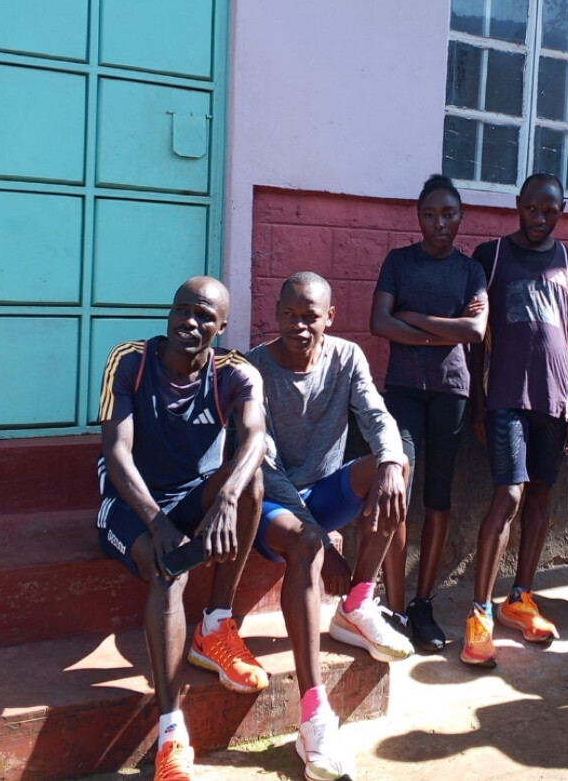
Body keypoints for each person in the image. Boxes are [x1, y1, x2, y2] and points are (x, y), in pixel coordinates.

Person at [96, 276, 267, 781]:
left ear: (222, 327)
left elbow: (256, 437)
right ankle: (172, 731)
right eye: (182, 311)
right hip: (131, 504)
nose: (189, 323)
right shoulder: (130, 361)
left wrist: (227, 498)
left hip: (192, 496)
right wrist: (158, 523)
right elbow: (116, 453)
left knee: (251, 484)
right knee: (168, 569)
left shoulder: (236, 372)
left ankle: (215, 624)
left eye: (204, 317)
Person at [247, 271, 413, 781]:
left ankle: (357, 602)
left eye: (310, 316)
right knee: (305, 543)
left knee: (396, 465)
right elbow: (263, 464)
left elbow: (376, 415)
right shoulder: (254, 369)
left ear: (330, 318)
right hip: (271, 505)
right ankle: (315, 715)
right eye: (289, 315)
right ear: (276, 314)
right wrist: (319, 536)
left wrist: (390, 461)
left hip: (322, 494)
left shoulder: (346, 357)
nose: (299, 326)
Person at [463, 173, 568, 667]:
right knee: (509, 495)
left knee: (540, 495)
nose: (540, 219)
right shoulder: (491, 256)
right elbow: (477, 338)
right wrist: (478, 401)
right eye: (532, 209)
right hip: (506, 398)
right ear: (517, 204)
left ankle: (520, 598)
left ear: (562, 211)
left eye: (550, 211)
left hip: (555, 400)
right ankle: (479, 613)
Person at [370, 174, 488, 651]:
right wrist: (445, 330)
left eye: (449, 214)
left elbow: (475, 333)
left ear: (460, 217)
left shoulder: (471, 271)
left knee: (438, 495)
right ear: (419, 218)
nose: (440, 223)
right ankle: (396, 607)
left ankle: (422, 603)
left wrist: (414, 320)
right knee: (398, 485)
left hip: (451, 392)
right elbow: (379, 323)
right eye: (431, 215)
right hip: (403, 389)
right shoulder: (398, 262)